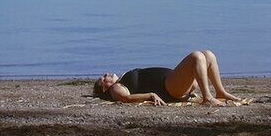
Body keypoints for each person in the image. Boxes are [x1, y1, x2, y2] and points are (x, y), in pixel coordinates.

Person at [94, 49, 240, 106]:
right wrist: (150, 95)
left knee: (207, 54)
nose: (106, 74)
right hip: (168, 88)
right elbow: (126, 99)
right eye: (103, 78)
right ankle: (207, 97)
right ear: (106, 87)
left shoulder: (121, 79)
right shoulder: (116, 89)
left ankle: (220, 92)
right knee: (196, 56)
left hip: (176, 84)